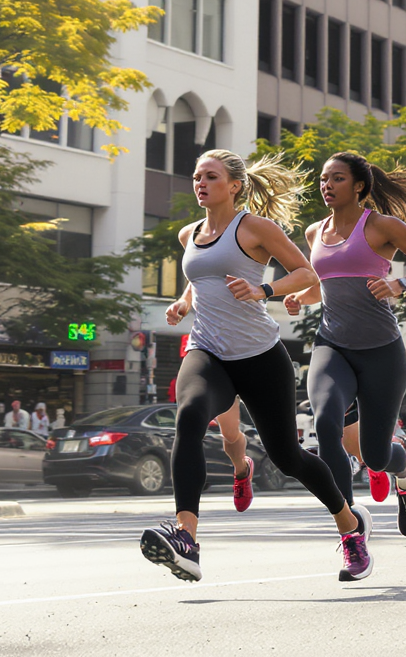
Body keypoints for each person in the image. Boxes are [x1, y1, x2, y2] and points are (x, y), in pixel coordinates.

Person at [143, 149, 364, 584]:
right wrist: (182, 304)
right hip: (208, 351)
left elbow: (306, 274)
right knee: (188, 416)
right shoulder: (190, 234)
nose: (200, 183)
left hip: (260, 356)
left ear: (235, 185)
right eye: (196, 176)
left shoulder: (255, 228)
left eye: (210, 176)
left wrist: (264, 289)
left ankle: (350, 527)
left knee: (287, 457)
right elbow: (199, 279)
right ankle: (186, 537)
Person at [284, 151, 406, 544]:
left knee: (375, 455)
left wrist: (400, 284)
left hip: (381, 352)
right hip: (332, 345)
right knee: (325, 424)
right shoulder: (314, 232)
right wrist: (299, 299)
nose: (327, 185)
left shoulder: (380, 226)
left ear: (359, 186)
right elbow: (320, 284)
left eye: (337, 178)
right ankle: (351, 525)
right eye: (324, 179)